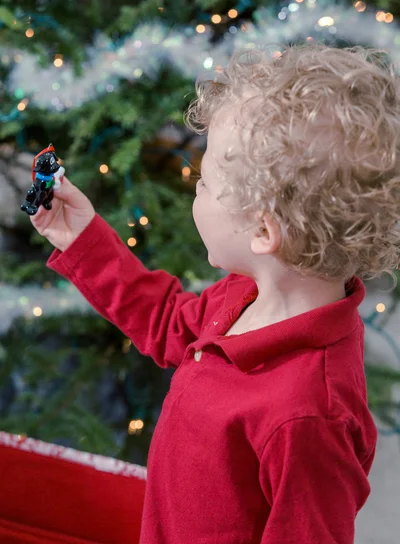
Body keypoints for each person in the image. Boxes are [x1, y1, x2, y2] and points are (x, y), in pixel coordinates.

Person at [30, 42, 400, 544]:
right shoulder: (244, 297)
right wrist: (80, 236)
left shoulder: (310, 414)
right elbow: (165, 321)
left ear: (263, 233)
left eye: (204, 184)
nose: (195, 191)